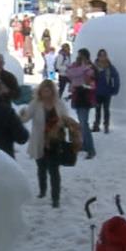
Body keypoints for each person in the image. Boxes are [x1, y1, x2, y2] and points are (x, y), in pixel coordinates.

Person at [19, 80, 80, 208]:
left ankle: (55, 198)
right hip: (39, 141)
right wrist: (20, 115)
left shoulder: (59, 104)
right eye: (44, 90)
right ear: (40, 91)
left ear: (53, 91)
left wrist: (59, 125)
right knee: (41, 168)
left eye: (48, 90)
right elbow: (26, 118)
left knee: (54, 170)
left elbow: (66, 119)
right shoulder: (35, 104)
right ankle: (42, 190)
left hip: (55, 142)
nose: (46, 93)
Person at [66, 48, 96, 159]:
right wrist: (82, 68)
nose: (79, 59)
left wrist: (81, 71)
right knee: (82, 123)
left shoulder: (91, 68)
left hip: (85, 98)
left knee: (84, 124)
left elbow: (91, 82)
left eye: (81, 56)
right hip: (77, 96)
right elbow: (69, 74)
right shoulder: (80, 67)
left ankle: (91, 149)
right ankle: (85, 145)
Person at [93, 49, 120, 134]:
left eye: (104, 55)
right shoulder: (94, 67)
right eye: (101, 55)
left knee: (106, 110)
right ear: (98, 56)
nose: (102, 57)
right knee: (97, 109)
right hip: (97, 92)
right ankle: (96, 125)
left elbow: (116, 77)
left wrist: (115, 89)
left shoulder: (109, 67)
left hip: (107, 92)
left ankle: (106, 125)